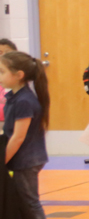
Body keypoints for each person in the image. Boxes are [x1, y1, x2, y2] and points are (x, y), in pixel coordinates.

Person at [1, 51, 49, 219]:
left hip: (27, 161)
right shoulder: (15, 97)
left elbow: (18, 137)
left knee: (30, 202)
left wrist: (2, 160)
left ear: (19, 75)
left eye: (2, 71)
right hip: (23, 159)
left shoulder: (24, 101)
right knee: (22, 201)